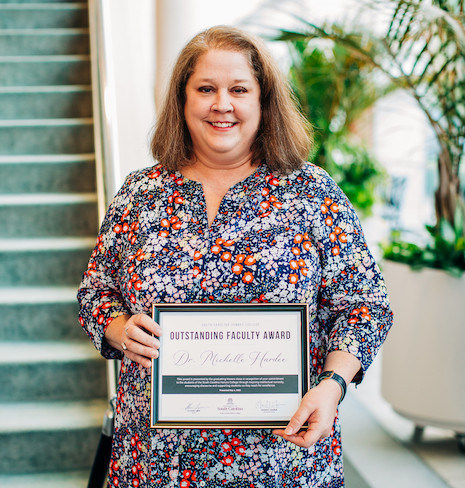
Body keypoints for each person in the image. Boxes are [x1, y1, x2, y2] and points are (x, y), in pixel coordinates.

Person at [78, 25, 392, 488]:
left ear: (263, 102)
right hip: (156, 462)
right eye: (205, 89)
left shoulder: (312, 193)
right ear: (183, 101)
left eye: (238, 89)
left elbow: (365, 307)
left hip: (283, 460)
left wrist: (334, 386)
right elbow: (95, 293)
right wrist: (119, 328)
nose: (221, 104)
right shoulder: (138, 195)